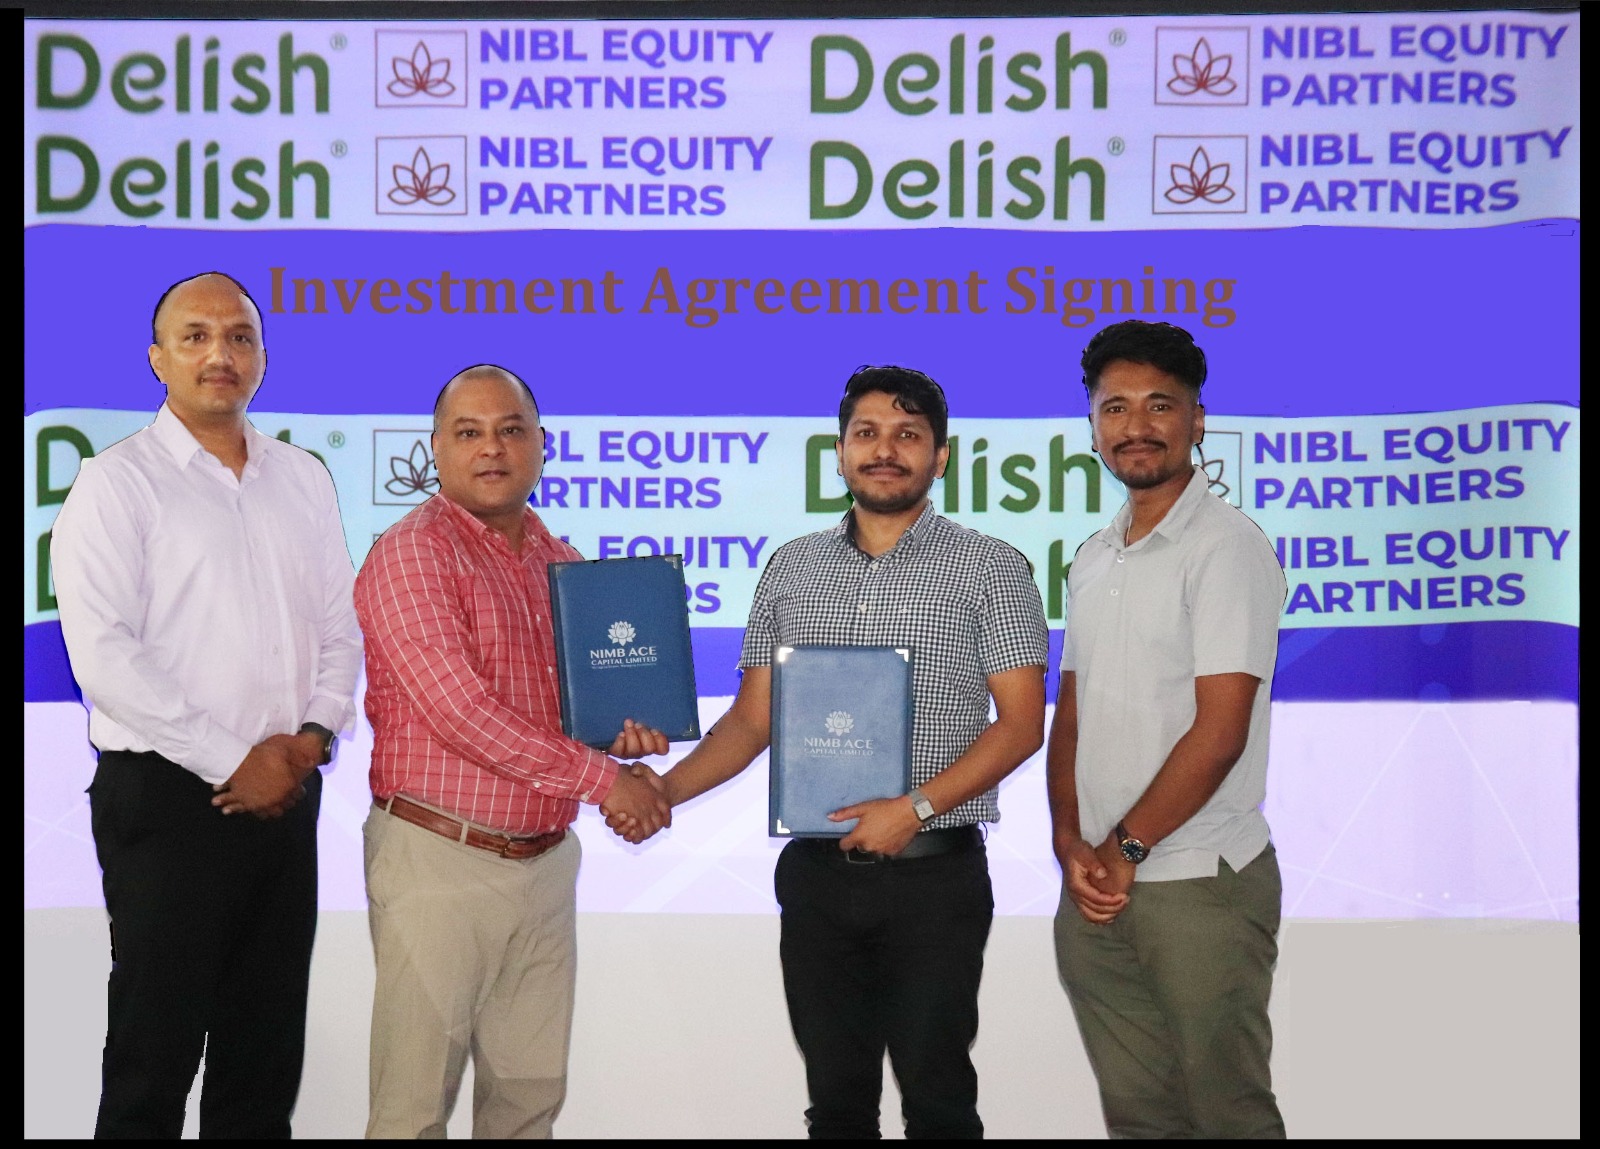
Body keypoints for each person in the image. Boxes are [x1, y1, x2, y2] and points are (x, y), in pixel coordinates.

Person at [643, 365, 1049, 1139]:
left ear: (941, 456)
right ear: (839, 452)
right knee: (835, 1108)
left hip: (934, 878)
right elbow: (750, 721)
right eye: (867, 433)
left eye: (908, 434)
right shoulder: (791, 566)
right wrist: (662, 790)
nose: (884, 450)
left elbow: (1022, 723)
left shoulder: (991, 566)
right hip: (818, 877)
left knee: (939, 1103)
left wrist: (913, 808)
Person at [50, 271, 363, 1138]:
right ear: (158, 359)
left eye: (239, 336)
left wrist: (308, 739)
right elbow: (105, 657)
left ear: (262, 357)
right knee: (154, 1058)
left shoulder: (303, 477)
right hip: (167, 799)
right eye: (195, 335)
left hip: (288, 792)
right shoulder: (116, 483)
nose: (220, 352)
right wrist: (237, 760)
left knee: (263, 1057)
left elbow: (340, 629)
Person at [353, 363, 674, 1139]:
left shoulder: (562, 563)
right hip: (440, 859)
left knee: (529, 1104)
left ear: (542, 443)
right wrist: (610, 780)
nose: (491, 447)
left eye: (510, 429)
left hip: (544, 862)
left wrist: (622, 732)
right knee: (412, 1110)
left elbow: (567, 714)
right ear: (436, 449)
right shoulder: (413, 553)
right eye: (468, 432)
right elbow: (461, 713)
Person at [1048, 319, 1288, 1138]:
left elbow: (1220, 731)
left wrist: (1125, 848)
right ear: (1093, 426)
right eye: (1114, 408)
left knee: (1228, 1115)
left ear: (1197, 420)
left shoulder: (1226, 548)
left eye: (1160, 404)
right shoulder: (1094, 555)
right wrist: (1070, 842)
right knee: (1140, 1119)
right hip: (1098, 887)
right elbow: (1072, 713)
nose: (1136, 426)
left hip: (1197, 885)